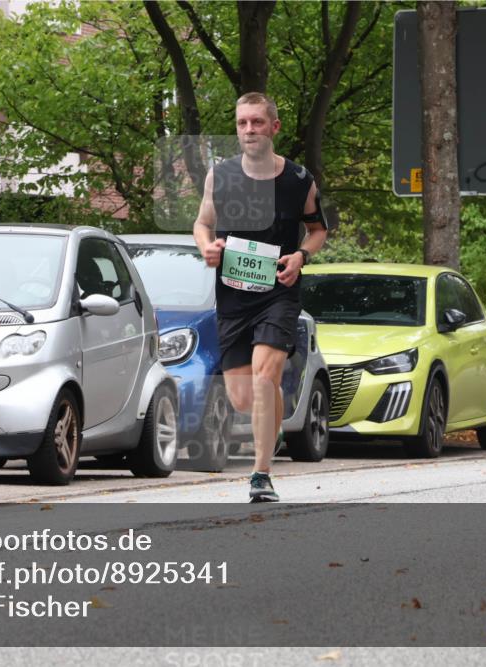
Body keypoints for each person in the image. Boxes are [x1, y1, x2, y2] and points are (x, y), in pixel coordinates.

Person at [193, 92, 328, 503]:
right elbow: (202, 224)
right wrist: (207, 247)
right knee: (242, 397)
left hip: (278, 293)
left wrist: (301, 256)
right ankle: (272, 431)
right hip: (233, 298)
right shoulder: (220, 175)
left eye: (256, 122)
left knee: (264, 376)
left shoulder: (299, 181)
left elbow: (318, 229)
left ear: (274, 127)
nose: (249, 130)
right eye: (242, 123)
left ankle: (260, 475)